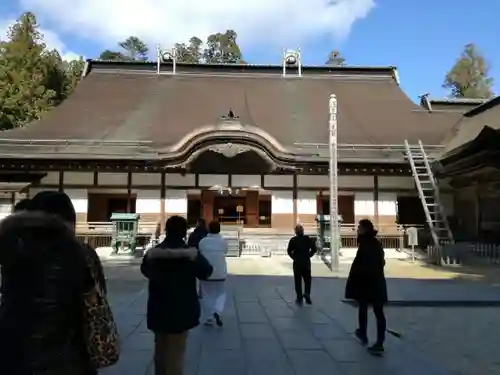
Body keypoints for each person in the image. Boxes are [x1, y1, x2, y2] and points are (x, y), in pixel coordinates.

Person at [0, 191, 95, 374]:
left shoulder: (9, 243)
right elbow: (93, 298)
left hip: (11, 347)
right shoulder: (77, 251)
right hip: (64, 351)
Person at [141, 215, 213, 375]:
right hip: (182, 308)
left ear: (166, 230)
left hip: (158, 307)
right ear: (184, 232)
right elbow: (206, 271)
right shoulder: (191, 254)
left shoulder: (153, 254)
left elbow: (145, 271)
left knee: (160, 351)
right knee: (175, 354)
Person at [345, 219, 387, 355]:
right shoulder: (376, 244)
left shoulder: (365, 245)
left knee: (366, 307)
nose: (357, 229)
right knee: (377, 311)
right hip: (377, 282)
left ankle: (370, 337)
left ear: (364, 229)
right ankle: (373, 338)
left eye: (359, 227)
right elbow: (382, 262)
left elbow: (365, 265)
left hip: (368, 282)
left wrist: (357, 277)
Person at [198, 220, 228, 327]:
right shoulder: (223, 241)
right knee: (221, 293)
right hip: (220, 272)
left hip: (206, 271)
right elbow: (225, 251)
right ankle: (217, 310)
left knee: (206, 295)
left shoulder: (202, 242)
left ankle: (208, 318)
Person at [287, 223, 317, 305]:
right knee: (307, 280)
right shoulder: (307, 239)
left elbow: (289, 251)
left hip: (297, 263)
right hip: (306, 262)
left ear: (295, 232)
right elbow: (314, 249)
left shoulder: (293, 240)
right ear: (303, 231)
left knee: (297, 280)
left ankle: (299, 297)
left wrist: (293, 257)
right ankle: (307, 293)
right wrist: (309, 255)